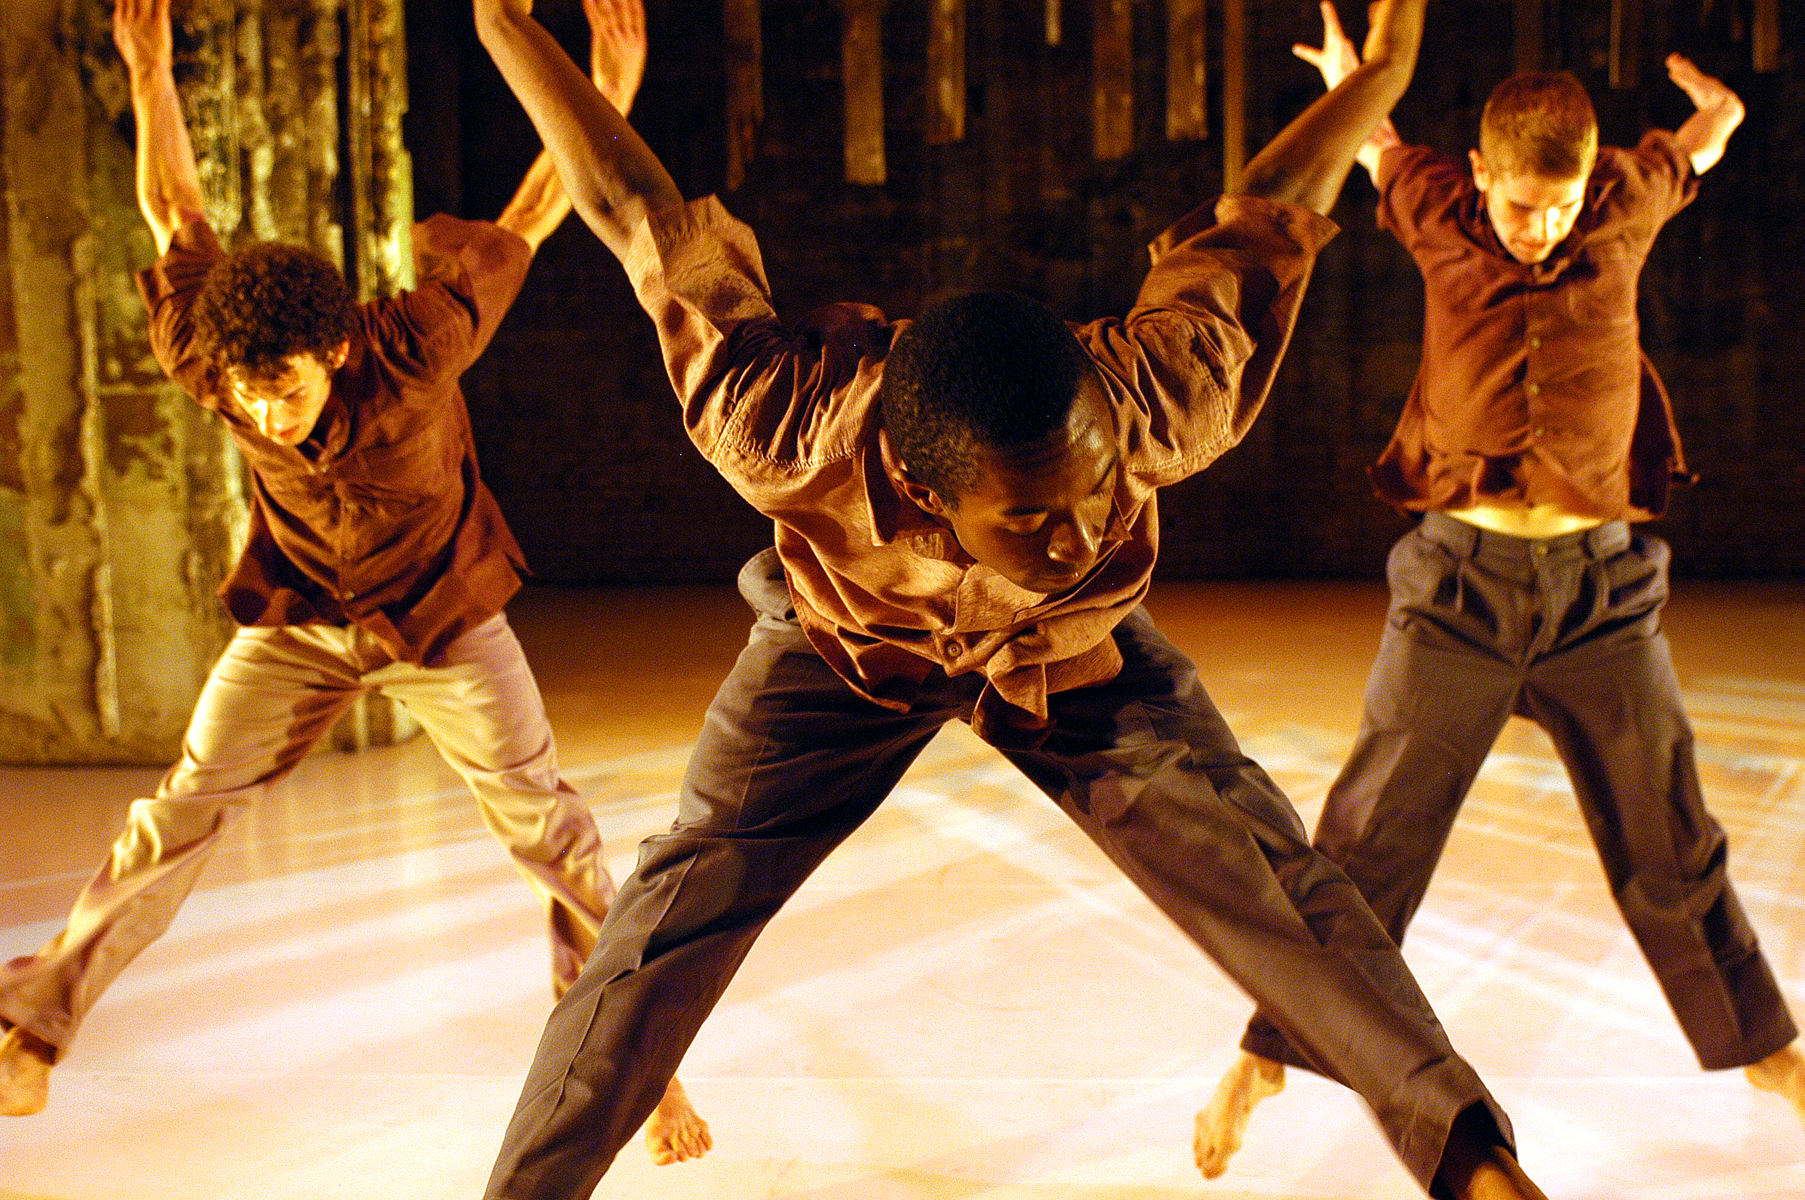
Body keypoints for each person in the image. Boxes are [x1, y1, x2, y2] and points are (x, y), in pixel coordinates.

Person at [468, 0, 1562, 1197]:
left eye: (1100, 493)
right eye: (1035, 522)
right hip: (840, 653)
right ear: (926, 501)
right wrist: (508, 31)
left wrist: (1383, 72)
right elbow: (643, 218)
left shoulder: (1159, 399)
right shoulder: (780, 422)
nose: (1086, 529)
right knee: (668, 917)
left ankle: (1478, 1172)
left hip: (1074, 656)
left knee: (1276, 887)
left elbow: (1266, 214)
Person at [0, 0, 711, 1166]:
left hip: (443, 621)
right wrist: (150, 71)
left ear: (332, 352)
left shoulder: (416, 342)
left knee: (556, 841)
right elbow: (173, 208)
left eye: (279, 388)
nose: (259, 410)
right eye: (241, 395)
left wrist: (608, 97)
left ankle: (638, 1066)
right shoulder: (212, 357)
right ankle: (33, 1027)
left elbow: (527, 220)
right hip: (299, 626)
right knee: (180, 811)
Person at [1196, 1, 1805, 1179]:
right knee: (1368, 836)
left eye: (1559, 205)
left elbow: (1696, 147)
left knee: (1668, 840)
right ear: (1480, 176)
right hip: (1455, 594)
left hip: (1602, 599)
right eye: (1520, 206)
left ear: (1589, 184)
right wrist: (1351, 83)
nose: (1539, 228)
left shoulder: (1625, 200)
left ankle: (1768, 1052)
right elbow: (1372, 145)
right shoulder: (1434, 203)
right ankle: (1271, 1049)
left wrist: (1720, 113)